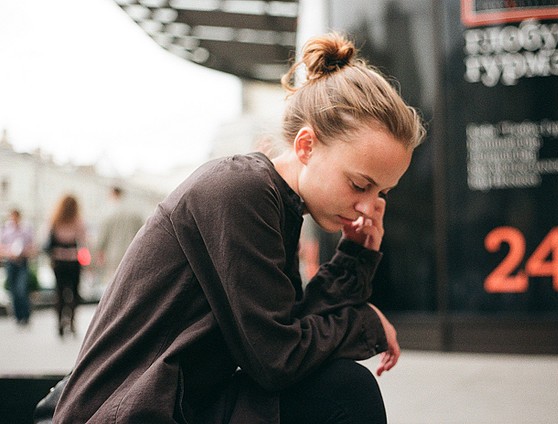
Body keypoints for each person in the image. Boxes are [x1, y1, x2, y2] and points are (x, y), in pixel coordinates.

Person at [53, 32, 425, 423]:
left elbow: (286, 331)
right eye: (359, 184)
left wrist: (354, 257)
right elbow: (277, 359)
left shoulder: (278, 204)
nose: (369, 207)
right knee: (346, 389)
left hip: (182, 405)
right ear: (306, 147)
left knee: (340, 385)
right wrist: (361, 322)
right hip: (129, 411)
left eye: (381, 191)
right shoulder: (240, 190)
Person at [46, 194, 87, 337]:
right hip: (73, 262)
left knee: (60, 292)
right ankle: (72, 321)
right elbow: (84, 240)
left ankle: (59, 323)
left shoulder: (55, 220)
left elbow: (46, 239)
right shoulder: (77, 221)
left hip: (58, 262)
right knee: (74, 293)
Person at [96, 186, 144, 286]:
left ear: (113, 194)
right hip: (132, 254)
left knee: (113, 286)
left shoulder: (109, 213)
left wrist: (100, 253)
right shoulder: (135, 212)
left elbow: (103, 237)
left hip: (113, 256)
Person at [0, 208, 34, 326]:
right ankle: (18, 316)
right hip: (10, 262)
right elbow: (1, 248)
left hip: (22, 262)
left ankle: (26, 315)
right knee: (13, 290)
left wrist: (23, 252)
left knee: (21, 289)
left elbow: (32, 247)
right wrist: (10, 252)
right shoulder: (6, 231)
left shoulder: (25, 230)